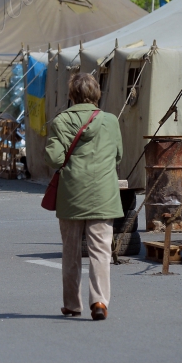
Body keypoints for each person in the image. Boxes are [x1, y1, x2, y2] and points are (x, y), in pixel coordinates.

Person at [45, 73, 123, 322]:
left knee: (70, 251)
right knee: (101, 251)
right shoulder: (111, 121)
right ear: (97, 94)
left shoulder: (62, 121)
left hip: (72, 193)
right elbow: (118, 155)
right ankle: (100, 301)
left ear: (71, 95)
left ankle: (72, 304)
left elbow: (55, 159)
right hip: (104, 193)